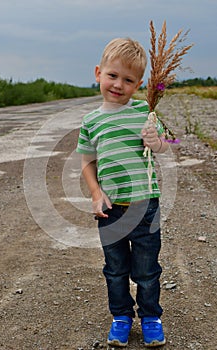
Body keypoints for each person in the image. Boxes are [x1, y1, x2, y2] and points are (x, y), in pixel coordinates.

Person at [76, 37, 168, 348]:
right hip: (111, 209)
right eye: (112, 75)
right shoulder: (91, 121)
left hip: (145, 206)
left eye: (128, 80)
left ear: (139, 84)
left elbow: (169, 146)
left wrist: (155, 141)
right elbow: (88, 163)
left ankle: (151, 317)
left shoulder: (145, 110)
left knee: (146, 269)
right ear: (98, 72)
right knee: (115, 269)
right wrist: (94, 192)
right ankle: (121, 316)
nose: (118, 84)